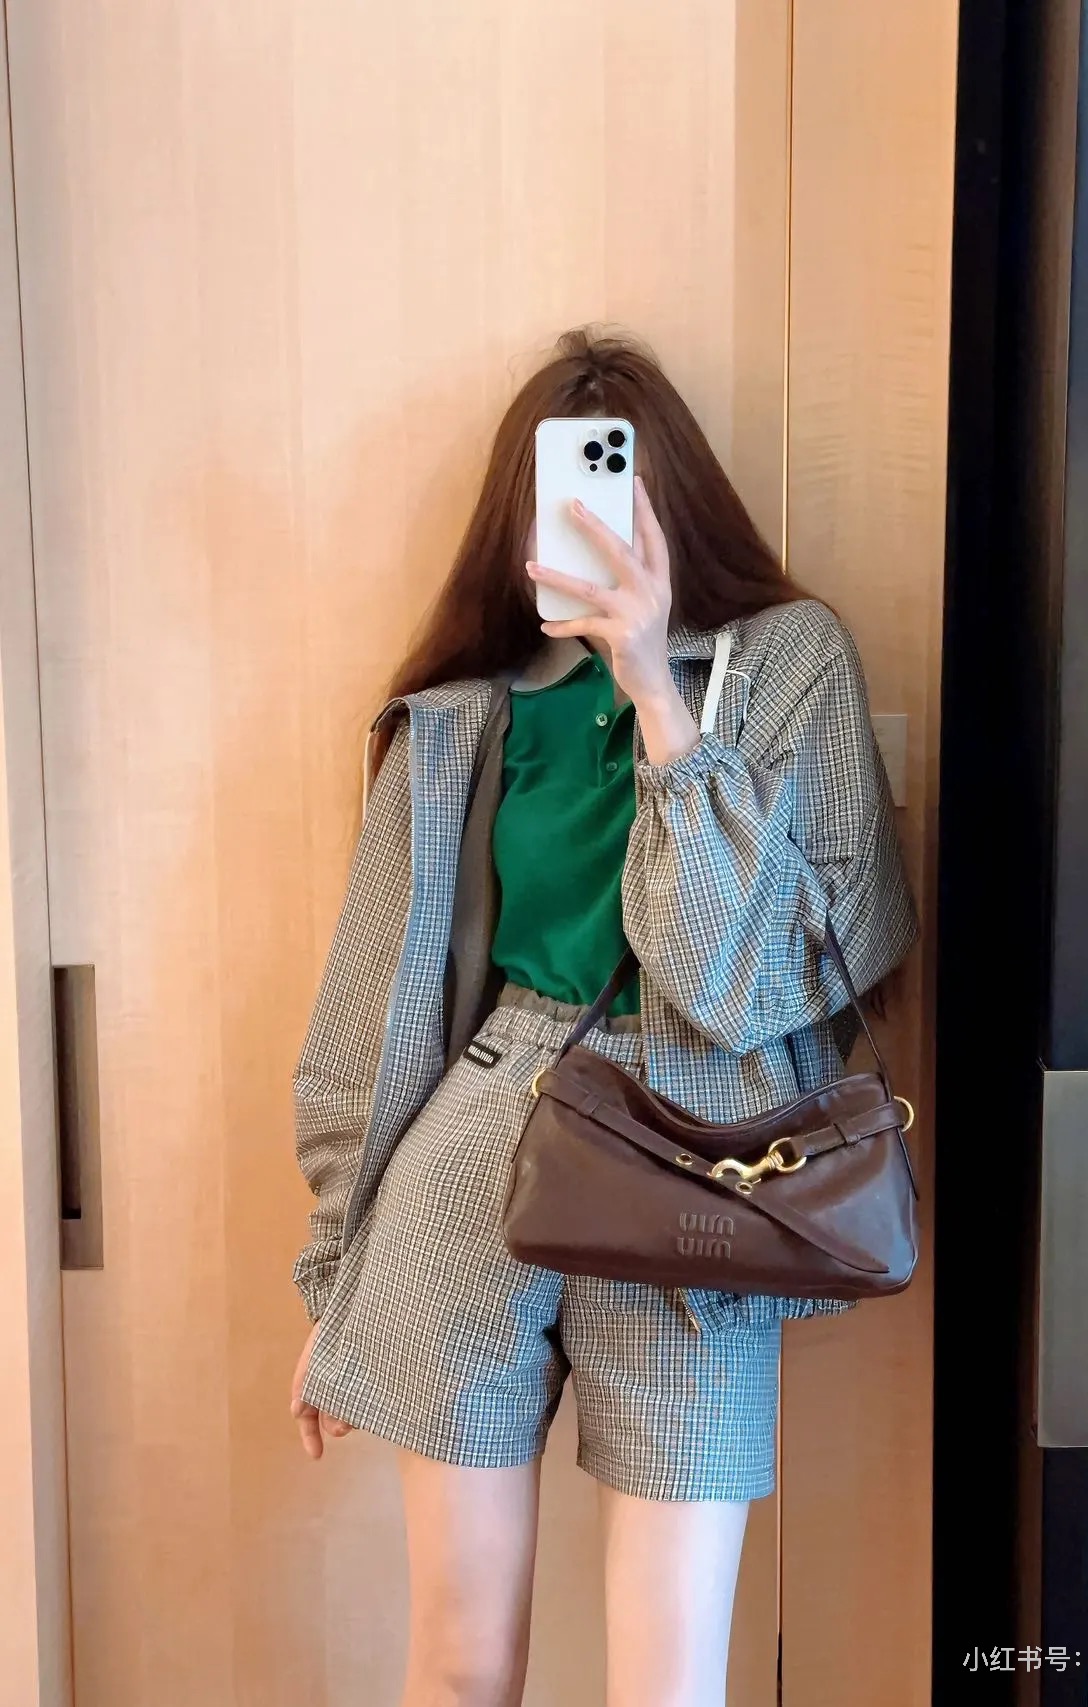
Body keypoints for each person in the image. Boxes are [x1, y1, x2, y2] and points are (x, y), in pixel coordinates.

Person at [288, 328, 917, 1707]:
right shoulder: (460, 718)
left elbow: (746, 984)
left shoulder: (790, 663)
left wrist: (657, 697)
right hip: (471, 1160)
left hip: (705, 1176)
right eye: (558, 498)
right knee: (459, 1663)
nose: (586, 524)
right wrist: (336, 1274)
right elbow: (373, 1013)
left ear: (667, 497)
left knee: (668, 1682)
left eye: (613, 488)